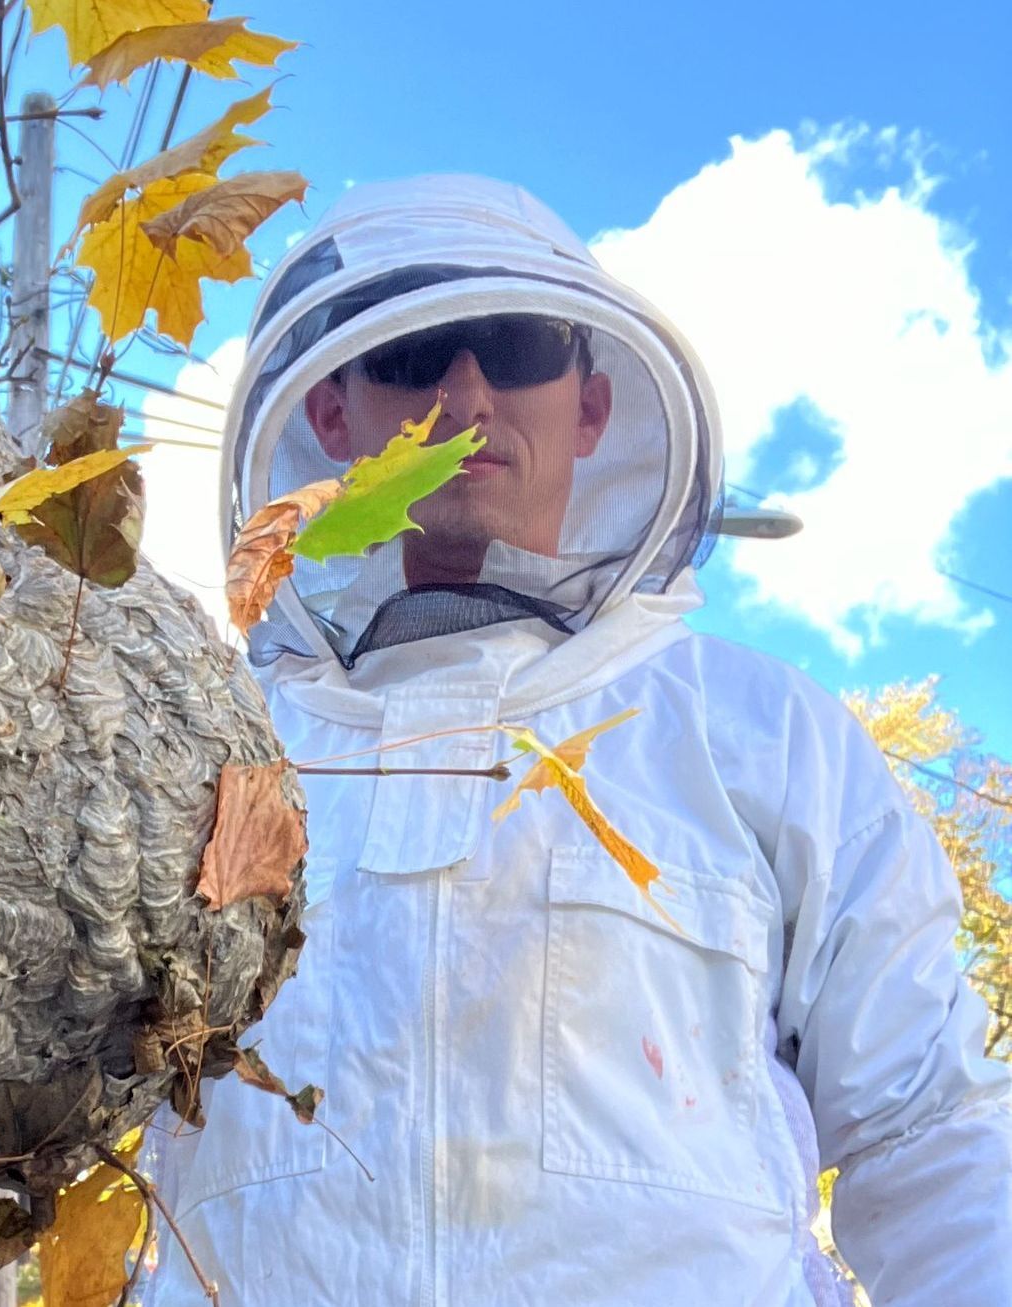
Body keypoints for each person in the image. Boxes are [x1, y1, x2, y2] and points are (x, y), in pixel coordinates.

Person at [139, 175, 1012, 1305]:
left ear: (591, 408)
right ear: (331, 412)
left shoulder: (764, 730)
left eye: (513, 343)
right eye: (414, 350)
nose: (464, 389)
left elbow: (928, 1127)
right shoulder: (218, 750)